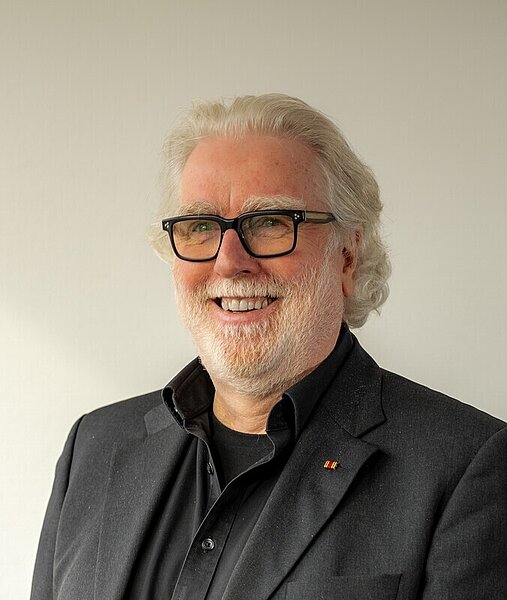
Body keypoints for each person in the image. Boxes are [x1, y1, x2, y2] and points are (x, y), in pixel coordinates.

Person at [31, 94, 507, 600]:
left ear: (347, 255)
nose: (229, 261)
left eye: (271, 222)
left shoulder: (466, 469)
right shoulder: (93, 448)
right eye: (200, 226)